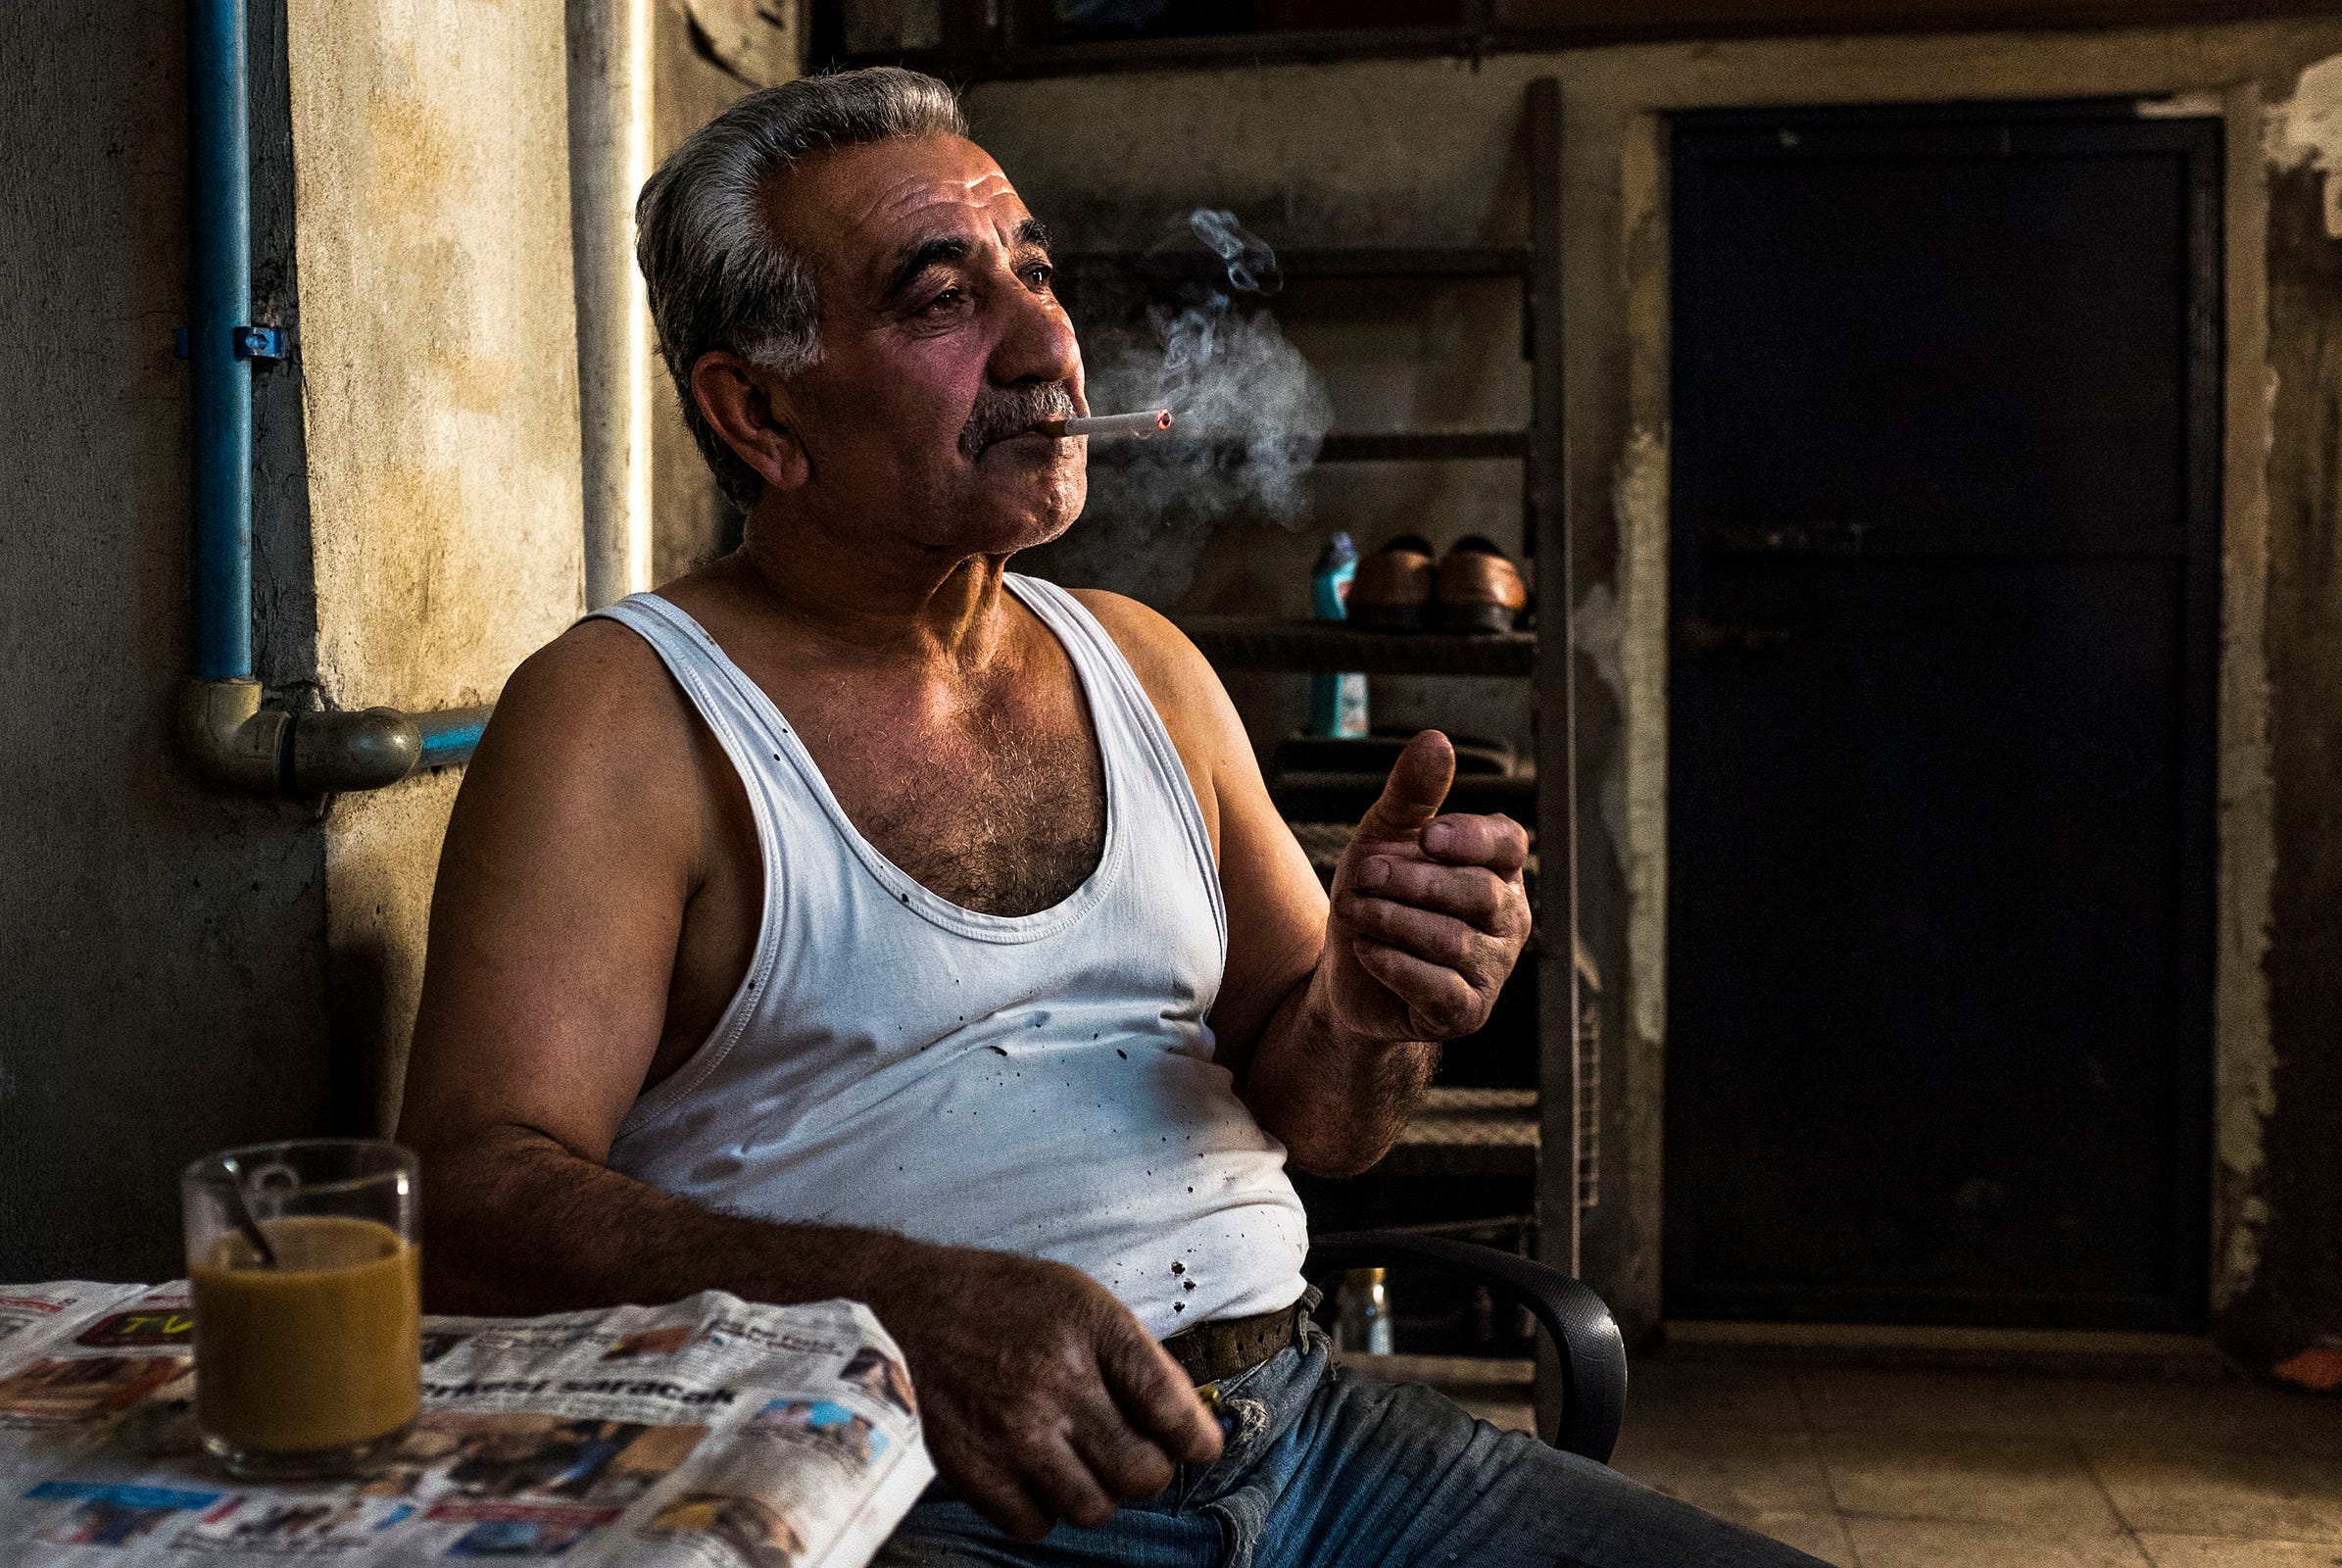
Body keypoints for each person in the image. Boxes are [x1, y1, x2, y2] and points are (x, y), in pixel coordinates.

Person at [396, 66, 1826, 1568]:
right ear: (756, 412)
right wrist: (898, 1306)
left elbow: (1331, 1124)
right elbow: (469, 1202)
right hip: (921, 1489)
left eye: (1038, 272)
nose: (1046, 343)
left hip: (1307, 1434)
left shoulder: (1144, 664)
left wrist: (1379, 1000)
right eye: (943, 300)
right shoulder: (629, 716)